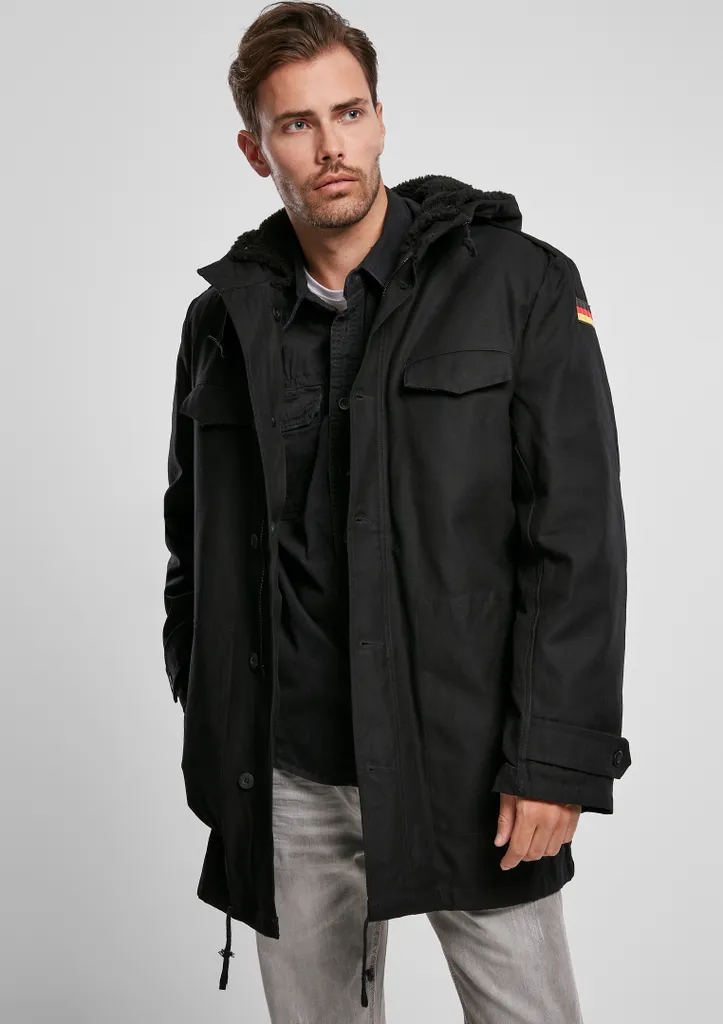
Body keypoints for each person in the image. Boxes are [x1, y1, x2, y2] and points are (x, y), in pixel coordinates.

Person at [162, 3, 632, 1021]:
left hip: (470, 761)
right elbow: (191, 540)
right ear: (255, 149)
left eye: (349, 112)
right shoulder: (222, 321)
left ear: (381, 118)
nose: (331, 146)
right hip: (288, 773)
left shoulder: (518, 285)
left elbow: (576, 538)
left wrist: (554, 757)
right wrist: (212, 707)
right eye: (297, 124)